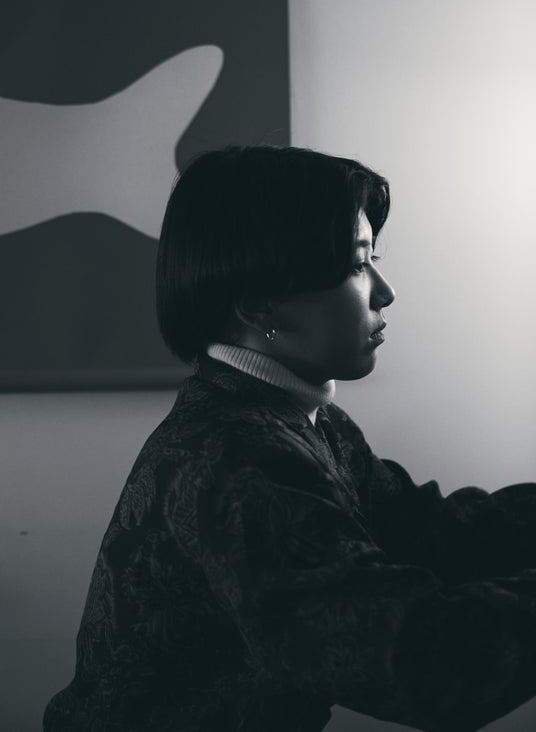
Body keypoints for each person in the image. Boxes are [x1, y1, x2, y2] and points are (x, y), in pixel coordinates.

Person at [44, 146, 536, 732]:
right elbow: (425, 665)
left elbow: (428, 532)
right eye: (357, 264)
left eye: (374, 259)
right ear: (258, 303)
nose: (385, 292)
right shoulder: (238, 459)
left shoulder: (300, 419)